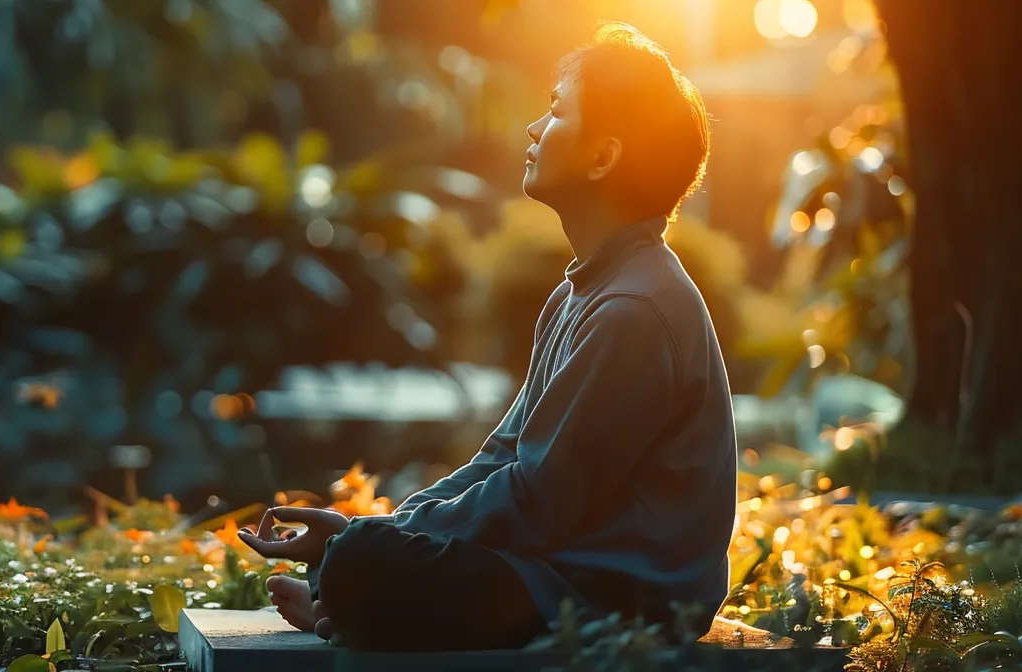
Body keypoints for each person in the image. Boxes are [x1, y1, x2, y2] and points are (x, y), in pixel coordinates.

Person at [237, 21, 736, 653]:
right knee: (366, 550)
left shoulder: (634, 310)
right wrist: (375, 529)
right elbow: (501, 458)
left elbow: (536, 503)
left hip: (617, 601)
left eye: (556, 111)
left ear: (604, 157)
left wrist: (361, 545)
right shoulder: (580, 294)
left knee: (365, 559)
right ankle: (351, 603)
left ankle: (350, 603)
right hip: (558, 575)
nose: (534, 129)